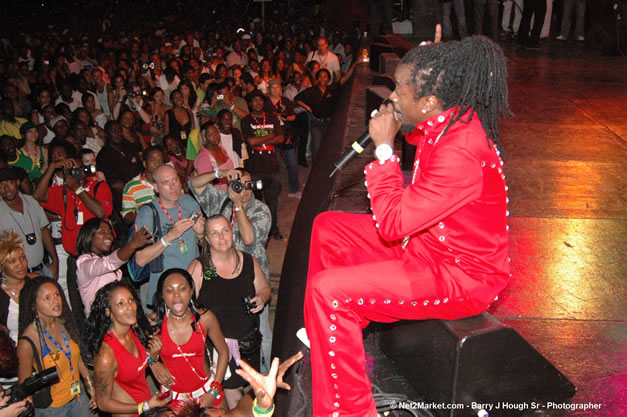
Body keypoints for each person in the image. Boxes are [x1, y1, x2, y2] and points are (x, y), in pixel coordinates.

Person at [303, 35, 511, 417]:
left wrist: (384, 148)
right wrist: (416, 90)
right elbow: (418, 129)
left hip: (461, 277)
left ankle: (350, 411)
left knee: (328, 292)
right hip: (428, 248)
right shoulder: (446, 117)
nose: (392, 97)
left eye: (400, 90)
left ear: (430, 102)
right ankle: (327, 338)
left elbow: (393, 223)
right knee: (328, 226)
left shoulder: (461, 151)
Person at [189, 168, 273, 373]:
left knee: (262, 333)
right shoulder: (221, 199)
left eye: (247, 185)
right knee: (223, 326)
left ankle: (264, 377)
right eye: (237, 184)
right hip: (219, 275)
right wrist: (220, 171)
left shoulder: (261, 210)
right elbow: (194, 184)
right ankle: (224, 375)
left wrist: (238, 206)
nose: (242, 190)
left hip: (249, 276)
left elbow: (249, 239)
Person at [187, 215, 270, 409]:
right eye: (214, 233)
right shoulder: (202, 268)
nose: (221, 237)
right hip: (220, 350)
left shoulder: (247, 261)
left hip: (249, 344)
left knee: (253, 392)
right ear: (206, 239)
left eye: (225, 230)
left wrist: (262, 298)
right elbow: (188, 308)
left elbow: (265, 289)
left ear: (232, 232)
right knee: (233, 398)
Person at [16, 276, 96, 416]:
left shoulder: (64, 323)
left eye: (57, 295)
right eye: (47, 298)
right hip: (52, 409)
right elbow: (25, 385)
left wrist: (91, 387)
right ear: (33, 305)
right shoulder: (29, 341)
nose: (56, 301)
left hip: (78, 397)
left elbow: (77, 360)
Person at [86, 282, 169, 417]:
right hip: (130, 412)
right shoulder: (106, 355)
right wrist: (145, 406)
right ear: (108, 311)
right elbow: (103, 403)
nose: (129, 307)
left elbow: (135, 366)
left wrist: (153, 359)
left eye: (131, 300)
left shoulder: (135, 331)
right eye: (120, 304)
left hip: (146, 406)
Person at [151, 268, 229, 408]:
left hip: (208, 392)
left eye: (182, 288)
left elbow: (223, 351)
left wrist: (214, 390)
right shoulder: (154, 323)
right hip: (173, 400)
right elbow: (131, 345)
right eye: (169, 290)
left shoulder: (205, 318)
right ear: (162, 295)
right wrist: (152, 362)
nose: (176, 296)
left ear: (191, 291)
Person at [133, 164, 205, 307]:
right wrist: (169, 237)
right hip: (166, 289)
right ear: (156, 187)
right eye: (166, 183)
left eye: (175, 180)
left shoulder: (189, 203)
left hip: (194, 282)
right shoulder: (148, 213)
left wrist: (201, 233)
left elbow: (205, 244)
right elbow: (140, 260)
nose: (173, 186)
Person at [76, 218, 152, 316]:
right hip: (100, 322)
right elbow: (108, 263)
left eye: (110, 232)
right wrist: (132, 245)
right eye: (102, 231)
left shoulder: (104, 259)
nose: (109, 236)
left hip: (117, 318)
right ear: (89, 236)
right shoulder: (84, 263)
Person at [239, 91, 284, 240]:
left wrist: (261, 139)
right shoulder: (246, 121)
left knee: (273, 201)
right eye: (254, 101)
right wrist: (271, 135)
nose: (258, 103)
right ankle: (257, 230)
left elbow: (281, 138)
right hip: (255, 169)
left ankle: (273, 229)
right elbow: (251, 142)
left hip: (273, 167)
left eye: (260, 100)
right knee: (255, 202)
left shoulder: (271, 117)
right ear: (250, 104)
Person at [0, 167, 58, 280]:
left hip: (42, 269)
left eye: (10, 183)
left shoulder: (32, 201)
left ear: (17, 183)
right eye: (1, 185)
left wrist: (55, 260)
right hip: (17, 276)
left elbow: (44, 231)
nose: (6, 188)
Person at [266, 79, 301, 198]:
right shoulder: (265, 103)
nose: (275, 90)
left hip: (286, 137)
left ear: (281, 89)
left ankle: (295, 189)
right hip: (272, 137)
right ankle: (275, 190)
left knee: (292, 165)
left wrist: (285, 117)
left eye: (277, 87)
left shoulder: (285, 101)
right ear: (269, 89)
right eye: (273, 88)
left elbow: (293, 117)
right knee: (273, 166)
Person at [0, 232, 33, 343]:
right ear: (2, 266)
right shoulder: (2, 297)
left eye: (22, 258)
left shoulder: (37, 283)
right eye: (12, 261)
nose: (20, 264)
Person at [121, 146, 166, 225]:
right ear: (145, 163)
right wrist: (146, 212)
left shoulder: (169, 180)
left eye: (161, 161)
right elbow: (127, 218)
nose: (158, 164)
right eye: (153, 160)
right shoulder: (131, 187)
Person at [193, 125, 237, 191]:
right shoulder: (203, 157)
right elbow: (205, 185)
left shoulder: (221, 148)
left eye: (216, 132)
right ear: (204, 137)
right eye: (210, 134)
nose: (215, 136)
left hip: (229, 192)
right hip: (217, 197)